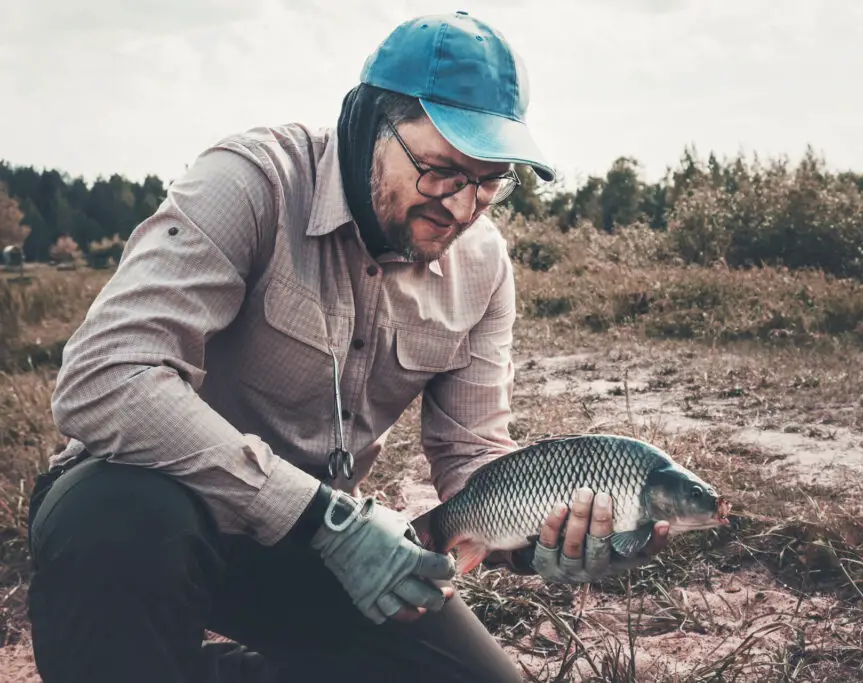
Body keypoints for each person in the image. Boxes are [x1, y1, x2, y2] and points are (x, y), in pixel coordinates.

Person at [25, 10, 669, 683]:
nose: (460, 207)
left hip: (316, 547)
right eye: (442, 170)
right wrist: (323, 516)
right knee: (120, 520)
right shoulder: (252, 182)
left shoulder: (483, 266)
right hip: (156, 512)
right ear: (369, 122)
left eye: (489, 182)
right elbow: (106, 377)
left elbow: (472, 457)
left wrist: (541, 534)